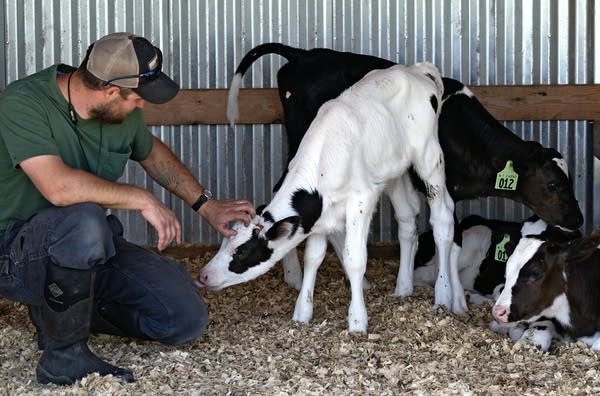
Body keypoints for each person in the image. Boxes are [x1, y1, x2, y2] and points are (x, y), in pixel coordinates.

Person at [0, 32, 255, 385]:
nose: (142, 106)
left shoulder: (120, 113)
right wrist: (141, 198)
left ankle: (59, 311)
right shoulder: (24, 102)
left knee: (183, 318)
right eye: (137, 98)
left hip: (89, 246)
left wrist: (206, 205)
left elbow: (151, 152)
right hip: (17, 254)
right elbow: (58, 188)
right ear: (109, 91)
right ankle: (63, 357)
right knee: (85, 218)